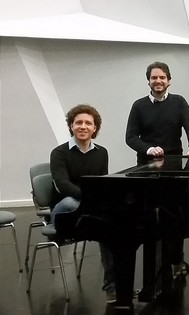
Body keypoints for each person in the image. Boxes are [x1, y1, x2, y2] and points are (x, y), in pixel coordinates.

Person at [125, 61, 189, 280]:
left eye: (162, 77)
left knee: (175, 216)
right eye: (154, 78)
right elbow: (130, 137)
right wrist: (148, 148)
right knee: (148, 218)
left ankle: (176, 260)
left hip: (174, 168)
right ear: (148, 80)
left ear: (169, 80)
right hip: (146, 169)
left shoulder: (179, 102)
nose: (158, 81)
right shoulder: (138, 106)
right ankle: (152, 268)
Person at [50, 104, 115, 303]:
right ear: (71, 126)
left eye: (88, 123)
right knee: (71, 202)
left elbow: (102, 182)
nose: (83, 126)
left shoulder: (102, 152)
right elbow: (62, 185)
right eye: (78, 122)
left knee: (111, 228)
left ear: (95, 128)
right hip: (66, 208)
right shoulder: (59, 153)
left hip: (90, 208)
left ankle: (112, 287)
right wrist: (91, 198)